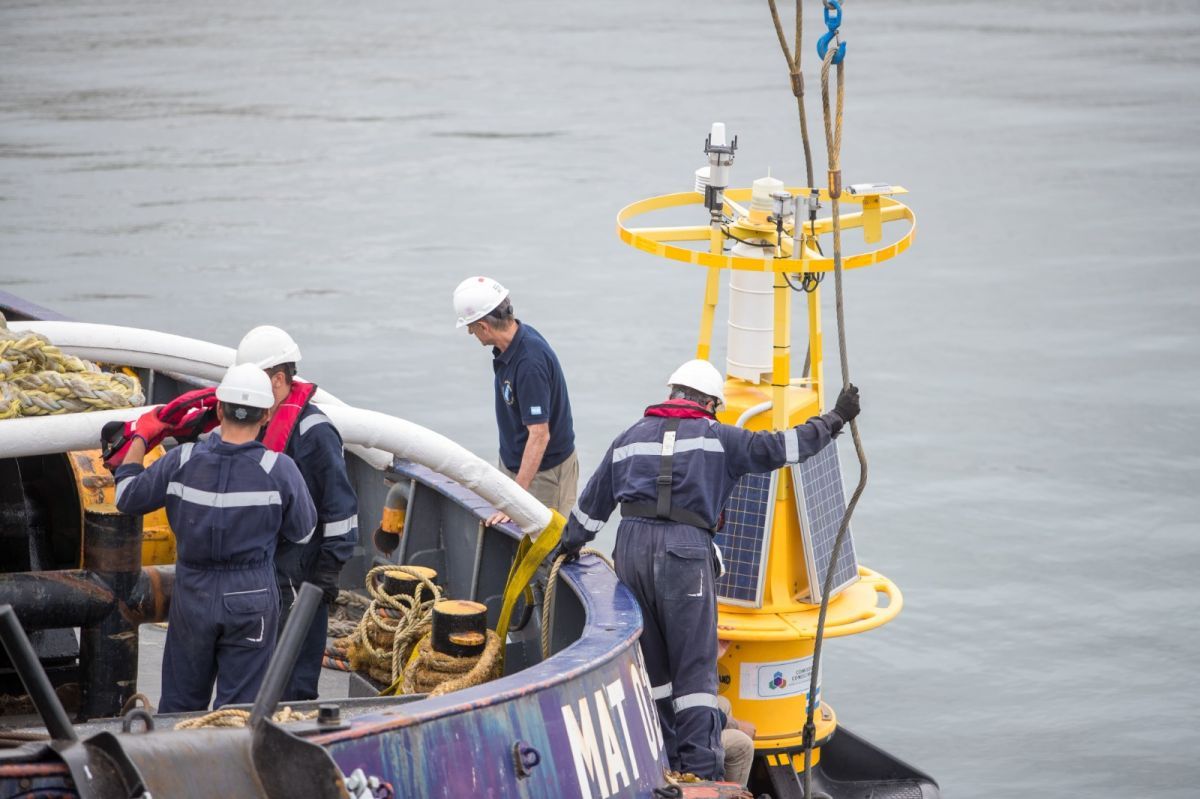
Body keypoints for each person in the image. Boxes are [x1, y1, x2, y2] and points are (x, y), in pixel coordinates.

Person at [558, 359, 861, 780]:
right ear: (709, 403)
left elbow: (589, 513)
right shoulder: (719, 438)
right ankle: (702, 777)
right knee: (695, 674)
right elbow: (786, 447)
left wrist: (566, 549)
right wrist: (836, 417)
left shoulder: (627, 439)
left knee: (655, 669)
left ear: (672, 394)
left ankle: (663, 762)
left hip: (630, 549)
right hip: (684, 553)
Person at [113, 364, 317, 713]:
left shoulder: (181, 460)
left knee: (180, 706)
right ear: (266, 414)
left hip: (193, 594)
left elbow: (126, 495)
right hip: (251, 597)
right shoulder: (279, 470)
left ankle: (177, 761)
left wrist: (140, 438)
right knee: (239, 712)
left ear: (219, 409)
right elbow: (304, 531)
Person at [234, 325, 359, 701]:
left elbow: (340, 510)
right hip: (259, 574)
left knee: (295, 683)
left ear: (277, 381)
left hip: (301, 580)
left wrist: (325, 575)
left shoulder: (315, 433)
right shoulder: (255, 424)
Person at [453, 276, 578, 523]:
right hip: (518, 467)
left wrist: (514, 501)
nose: (470, 332)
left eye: (471, 327)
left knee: (542, 549)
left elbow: (540, 435)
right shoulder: (510, 345)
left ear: (484, 326)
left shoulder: (529, 363)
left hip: (544, 475)